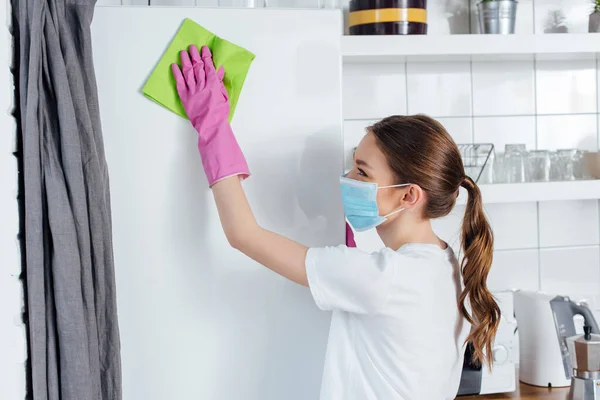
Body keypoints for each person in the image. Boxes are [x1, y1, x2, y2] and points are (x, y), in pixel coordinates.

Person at [171, 45, 500, 400]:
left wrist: (213, 128)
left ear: (408, 196)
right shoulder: (445, 262)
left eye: (362, 171)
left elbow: (243, 235)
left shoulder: (383, 277)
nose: (346, 178)